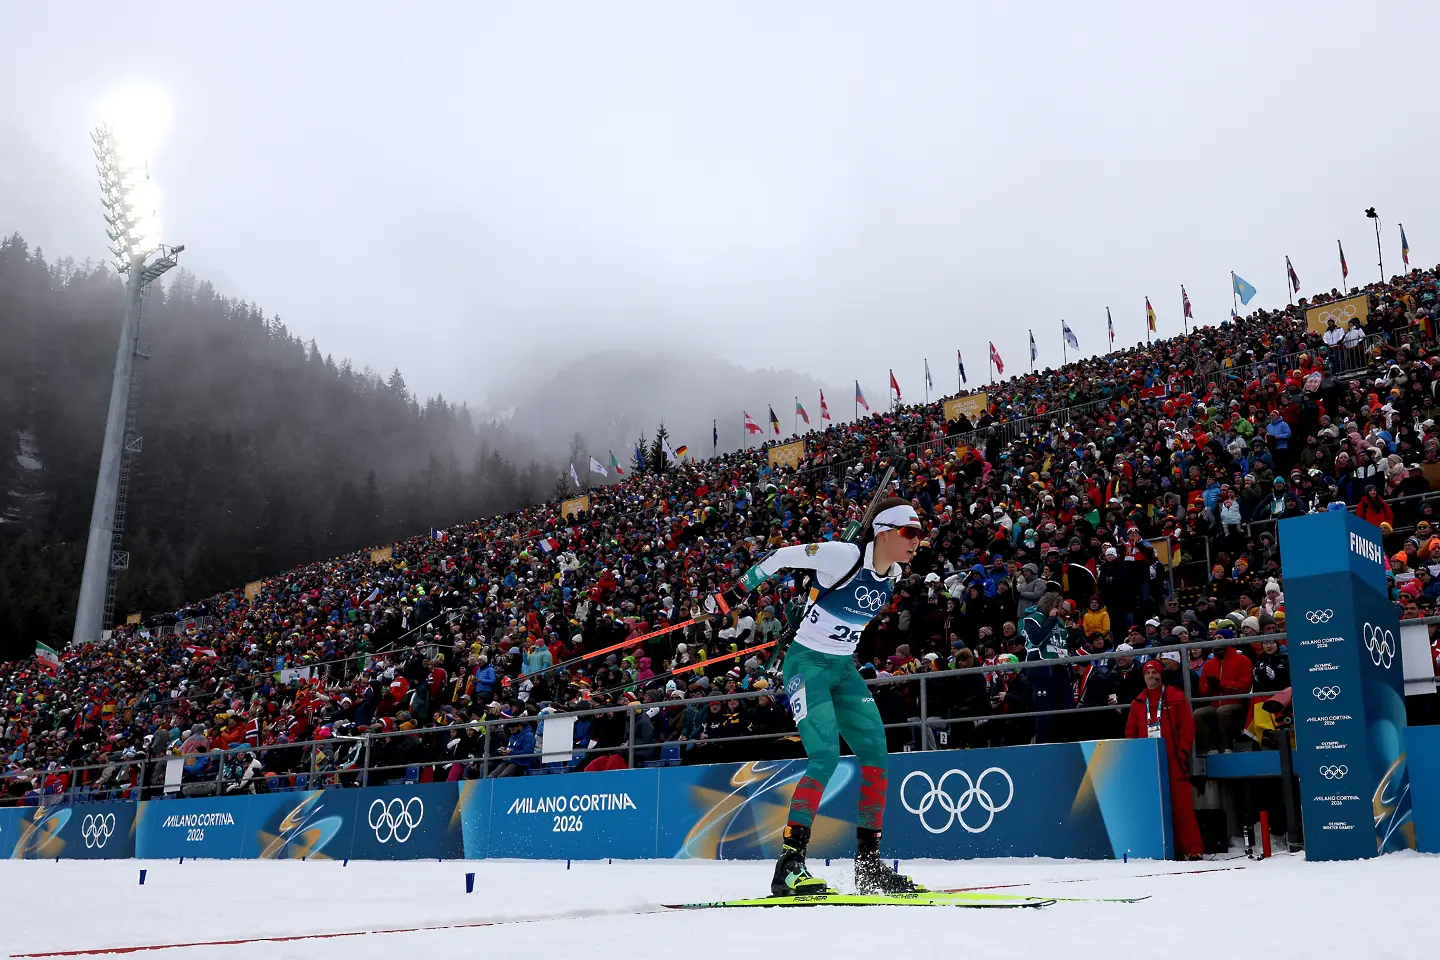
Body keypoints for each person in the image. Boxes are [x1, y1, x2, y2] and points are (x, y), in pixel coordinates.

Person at [726, 497, 923, 896]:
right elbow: (781, 556)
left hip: (842, 668)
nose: (917, 541)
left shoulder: (895, 571)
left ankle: (868, 868)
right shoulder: (843, 554)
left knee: (876, 755)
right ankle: (790, 865)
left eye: (920, 534)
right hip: (806, 666)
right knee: (825, 755)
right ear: (884, 531)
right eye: (909, 532)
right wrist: (734, 593)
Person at [1125, 660, 1204, 859]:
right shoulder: (1138, 702)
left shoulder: (1175, 697)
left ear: (1161, 675)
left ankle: (1193, 849)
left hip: (1173, 760)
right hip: (1149, 764)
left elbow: (1187, 728)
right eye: (1147, 672)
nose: (1151, 675)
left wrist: (1183, 752)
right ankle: (1167, 849)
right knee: (1156, 808)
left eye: (1154, 672)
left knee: (1182, 806)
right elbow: (1131, 733)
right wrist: (1137, 758)